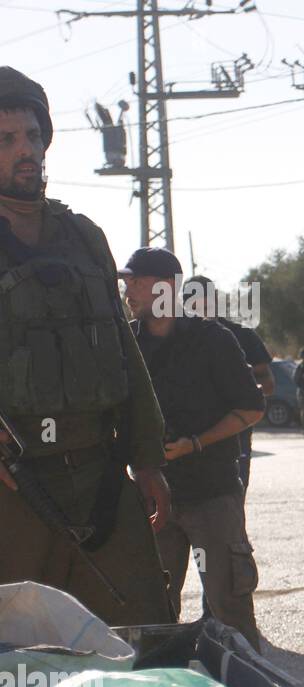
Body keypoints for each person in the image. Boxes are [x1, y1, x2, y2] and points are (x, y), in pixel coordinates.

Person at [0, 66, 173, 625]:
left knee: (142, 637)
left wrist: (147, 458)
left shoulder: (84, 237)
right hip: (16, 487)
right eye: (5, 140)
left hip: (101, 476)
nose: (24, 151)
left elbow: (124, 350)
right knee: (22, 657)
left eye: (32, 136)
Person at [123, 247, 267, 650]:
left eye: (137, 280)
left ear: (167, 286)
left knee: (230, 611)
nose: (127, 288)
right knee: (150, 616)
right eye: (126, 280)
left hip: (211, 495)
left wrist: (194, 444)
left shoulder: (212, 339)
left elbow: (251, 407)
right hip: (149, 499)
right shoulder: (124, 343)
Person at [185, 275, 273, 491]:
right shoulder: (175, 337)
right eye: (193, 298)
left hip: (233, 440)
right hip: (186, 440)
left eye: (206, 297)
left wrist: (241, 378)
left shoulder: (241, 335)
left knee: (230, 507)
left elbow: (269, 384)